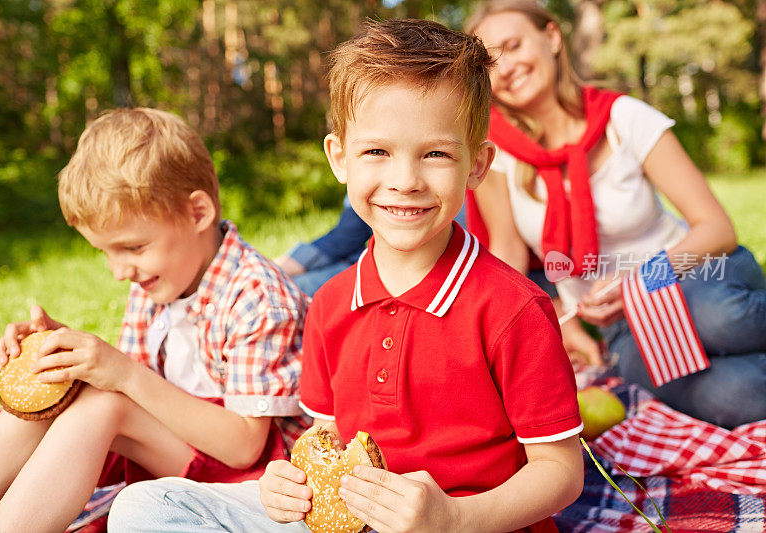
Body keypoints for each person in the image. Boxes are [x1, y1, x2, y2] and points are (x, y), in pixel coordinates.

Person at [108, 18, 584, 533]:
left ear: (477, 164)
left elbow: (561, 472)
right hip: (348, 522)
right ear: (340, 159)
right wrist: (286, 481)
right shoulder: (331, 304)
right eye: (377, 152)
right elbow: (325, 440)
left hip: (469, 523)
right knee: (145, 507)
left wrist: (456, 517)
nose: (404, 181)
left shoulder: (513, 308)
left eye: (436, 154)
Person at [0, 108, 310, 533]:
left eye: (133, 247)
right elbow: (130, 381)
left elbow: (243, 446)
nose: (119, 271)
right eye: (106, 252)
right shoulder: (160, 280)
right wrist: (63, 351)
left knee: (105, 404)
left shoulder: (258, 297)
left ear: (197, 213)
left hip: (259, 482)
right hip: (183, 447)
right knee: (59, 383)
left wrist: (121, 373)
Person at [464, 0, 766, 428]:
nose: (506, 67)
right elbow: (509, 255)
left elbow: (717, 229)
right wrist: (553, 321)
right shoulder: (495, 153)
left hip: (693, 276)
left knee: (723, 316)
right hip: (622, 324)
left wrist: (642, 280)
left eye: (513, 46)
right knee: (734, 397)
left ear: (552, 38)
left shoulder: (622, 117)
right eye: (490, 62)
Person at [273, 197, 467, 297]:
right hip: (363, 260)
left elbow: (345, 238)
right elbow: (348, 235)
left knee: (293, 288)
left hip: (404, 271)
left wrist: (279, 270)